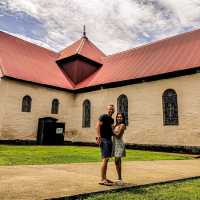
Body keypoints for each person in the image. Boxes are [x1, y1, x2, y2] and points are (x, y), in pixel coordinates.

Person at [96, 104, 115, 186]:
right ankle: (102, 179)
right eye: (109, 109)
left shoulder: (111, 119)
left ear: (114, 111)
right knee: (105, 159)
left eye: (112, 109)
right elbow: (97, 126)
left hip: (109, 139)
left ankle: (105, 177)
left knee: (107, 159)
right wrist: (98, 136)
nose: (111, 110)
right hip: (104, 139)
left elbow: (111, 130)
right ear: (107, 110)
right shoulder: (103, 116)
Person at [112, 112, 126, 184]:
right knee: (116, 161)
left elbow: (118, 136)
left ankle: (120, 178)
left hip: (119, 144)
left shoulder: (122, 125)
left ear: (123, 118)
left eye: (120, 117)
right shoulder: (116, 125)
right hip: (115, 144)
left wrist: (111, 130)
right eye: (118, 117)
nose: (119, 118)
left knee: (118, 160)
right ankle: (119, 178)